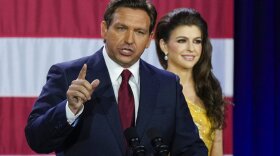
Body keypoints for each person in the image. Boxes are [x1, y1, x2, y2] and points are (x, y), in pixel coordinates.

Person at [25, 0, 208, 155]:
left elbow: (191, 148)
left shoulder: (168, 85)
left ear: (149, 38)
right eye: (121, 28)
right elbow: (36, 140)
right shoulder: (68, 75)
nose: (129, 40)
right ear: (105, 29)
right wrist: (69, 109)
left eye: (139, 32)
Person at [155, 8, 225, 156]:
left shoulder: (210, 91)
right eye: (182, 41)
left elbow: (216, 150)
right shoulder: (152, 89)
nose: (191, 49)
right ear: (164, 45)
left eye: (197, 41)